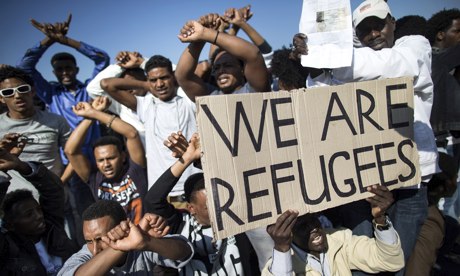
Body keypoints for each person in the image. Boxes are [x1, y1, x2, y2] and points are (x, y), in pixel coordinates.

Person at [305, 1, 438, 274]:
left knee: (393, 264)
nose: (374, 34)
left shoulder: (414, 46)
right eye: (365, 30)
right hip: (366, 183)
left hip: (409, 185)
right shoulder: (357, 62)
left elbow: (394, 66)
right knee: (363, 264)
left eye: (379, 25)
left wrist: (329, 58)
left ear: (393, 23)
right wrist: (315, 64)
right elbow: (323, 97)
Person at [16, 14, 110, 217]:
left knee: (108, 206)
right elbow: (24, 67)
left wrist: (66, 41)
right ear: (54, 72)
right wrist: (49, 40)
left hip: (99, 159)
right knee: (83, 212)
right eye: (60, 69)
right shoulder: (51, 94)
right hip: (70, 165)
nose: (65, 72)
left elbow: (102, 59)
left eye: (68, 68)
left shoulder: (89, 89)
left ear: (76, 69)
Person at [143, 132, 261, 275]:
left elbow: (239, 182)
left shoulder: (236, 221)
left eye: (221, 202)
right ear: (191, 208)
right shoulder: (180, 226)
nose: (220, 209)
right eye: (209, 206)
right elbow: (153, 200)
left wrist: (198, 161)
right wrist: (186, 159)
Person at [99, 54, 199, 205]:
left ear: (173, 77)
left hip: (196, 187)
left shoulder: (188, 100)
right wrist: (147, 85)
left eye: (164, 78)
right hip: (164, 194)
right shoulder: (145, 105)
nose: (159, 84)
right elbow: (106, 84)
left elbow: (185, 74)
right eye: (153, 80)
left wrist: (143, 65)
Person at [263, 185, 404, 276]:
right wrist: (282, 248)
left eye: (313, 219)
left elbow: (390, 260)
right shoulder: (279, 266)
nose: (313, 227)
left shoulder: (338, 240)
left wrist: (380, 219)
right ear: (288, 233)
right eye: (302, 225)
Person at [0, 133, 78, 275]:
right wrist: (2, 170)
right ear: (10, 224)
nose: (39, 216)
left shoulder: (51, 227)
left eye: (38, 210)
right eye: (28, 214)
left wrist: (21, 166)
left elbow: (54, 190)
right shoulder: (7, 247)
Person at [64, 96, 147, 224]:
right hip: (113, 241)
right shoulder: (94, 178)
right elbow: (70, 151)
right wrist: (89, 117)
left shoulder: (135, 170)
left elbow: (131, 133)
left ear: (123, 156)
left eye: (111, 158)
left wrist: (94, 113)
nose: (106, 164)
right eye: (101, 160)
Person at [58, 200, 194, 275]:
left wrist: (148, 242)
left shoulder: (140, 245)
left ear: (122, 227)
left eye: (101, 239)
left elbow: (185, 252)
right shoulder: (84, 257)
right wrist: (122, 246)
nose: (94, 250)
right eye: (89, 241)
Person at [175, 12, 271, 101]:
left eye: (228, 65)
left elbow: (253, 54)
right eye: (216, 68)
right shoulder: (210, 96)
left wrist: (206, 33)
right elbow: (182, 76)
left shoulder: (254, 90)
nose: (221, 71)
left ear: (242, 69)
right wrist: (199, 39)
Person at [425, 8, 460, 220]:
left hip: (450, 137)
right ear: (440, 35)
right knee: (445, 197)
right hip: (440, 139)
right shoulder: (432, 60)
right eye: (457, 31)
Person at [406, 152, 460, 275]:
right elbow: (417, 270)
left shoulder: (408, 202)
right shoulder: (430, 220)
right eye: (455, 178)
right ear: (445, 185)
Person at [86, 51, 148, 145]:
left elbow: (170, 74)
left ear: (145, 81)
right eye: (123, 86)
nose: (128, 90)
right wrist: (121, 66)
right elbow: (92, 89)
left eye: (133, 84)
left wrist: (141, 62)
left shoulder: (160, 99)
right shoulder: (121, 106)